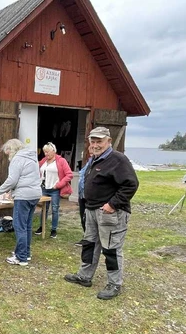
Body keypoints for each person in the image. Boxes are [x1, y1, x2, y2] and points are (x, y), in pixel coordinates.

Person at [64, 126, 139, 300]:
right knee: (89, 244)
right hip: (91, 210)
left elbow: (131, 184)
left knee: (111, 248)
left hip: (110, 213)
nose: (96, 145)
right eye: (93, 141)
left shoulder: (117, 159)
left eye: (99, 141)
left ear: (108, 141)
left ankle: (114, 284)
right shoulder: (94, 159)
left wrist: (112, 204)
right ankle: (84, 276)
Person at [0, 139, 42, 266]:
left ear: (12, 149)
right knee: (27, 226)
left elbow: (12, 180)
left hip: (23, 196)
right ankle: (26, 253)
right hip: (35, 194)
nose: (7, 155)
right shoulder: (31, 157)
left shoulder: (17, 159)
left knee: (19, 226)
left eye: (7, 152)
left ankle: (21, 257)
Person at [35, 142, 73, 239]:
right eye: (44, 152)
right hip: (44, 188)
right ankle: (41, 227)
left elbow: (69, 175)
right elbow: (37, 169)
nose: (46, 154)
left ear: (53, 151)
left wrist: (58, 185)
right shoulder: (44, 160)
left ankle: (53, 229)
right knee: (44, 209)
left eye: (47, 152)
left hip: (54, 189)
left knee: (55, 209)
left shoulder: (61, 161)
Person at [75, 146, 94, 246]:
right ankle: (86, 237)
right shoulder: (88, 163)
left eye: (92, 153)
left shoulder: (96, 164)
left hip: (89, 196)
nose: (91, 154)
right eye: (90, 153)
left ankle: (89, 239)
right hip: (82, 194)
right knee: (83, 217)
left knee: (89, 219)